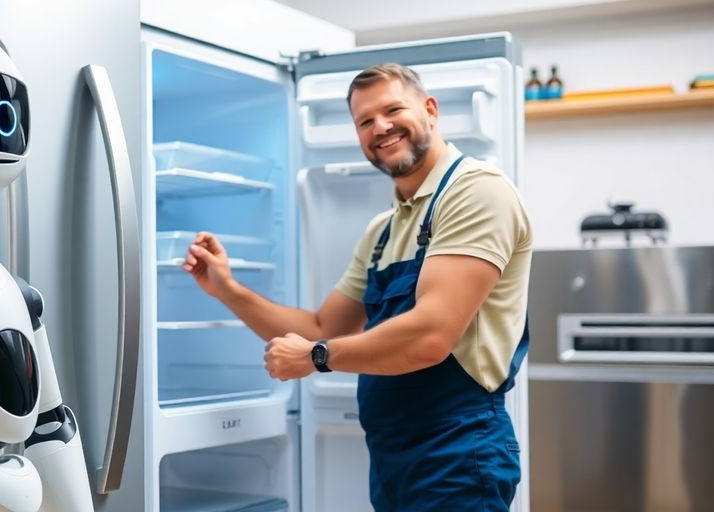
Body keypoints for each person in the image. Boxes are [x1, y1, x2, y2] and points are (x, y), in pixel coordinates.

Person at [182, 63, 532, 511]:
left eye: (392, 110)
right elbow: (321, 324)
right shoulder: (383, 229)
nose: (380, 127)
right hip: (392, 459)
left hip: (459, 451)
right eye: (364, 121)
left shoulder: (476, 193)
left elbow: (430, 337)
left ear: (429, 110)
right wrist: (227, 289)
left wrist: (317, 356)